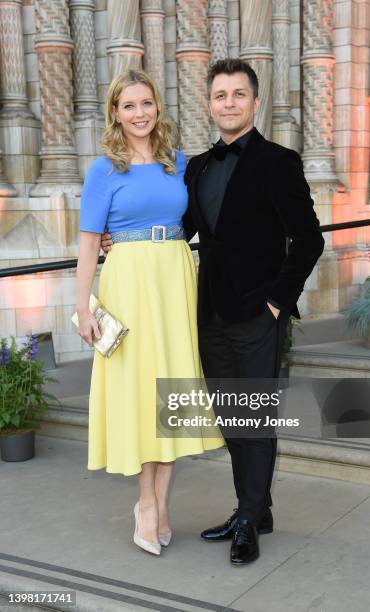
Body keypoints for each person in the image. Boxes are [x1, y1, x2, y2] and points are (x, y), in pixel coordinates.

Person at [102, 58, 325, 565]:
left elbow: (308, 240)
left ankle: (248, 517)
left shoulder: (279, 161)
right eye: (220, 95)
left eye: (238, 94)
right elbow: (174, 225)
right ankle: (255, 508)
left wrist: (275, 302)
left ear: (254, 101)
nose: (229, 103)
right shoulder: (196, 166)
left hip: (257, 314)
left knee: (255, 417)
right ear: (209, 104)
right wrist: (124, 234)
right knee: (229, 416)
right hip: (205, 313)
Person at [76, 68, 224, 557]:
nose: (139, 113)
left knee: (172, 392)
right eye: (128, 106)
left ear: (157, 108)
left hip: (175, 277)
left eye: (146, 104)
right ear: (115, 114)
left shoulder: (177, 163)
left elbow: (200, 219)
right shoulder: (104, 169)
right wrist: (82, 306)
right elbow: (88, 243)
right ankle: (144, 503)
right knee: (143, 394)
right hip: (129, 283)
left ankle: (161, 506)